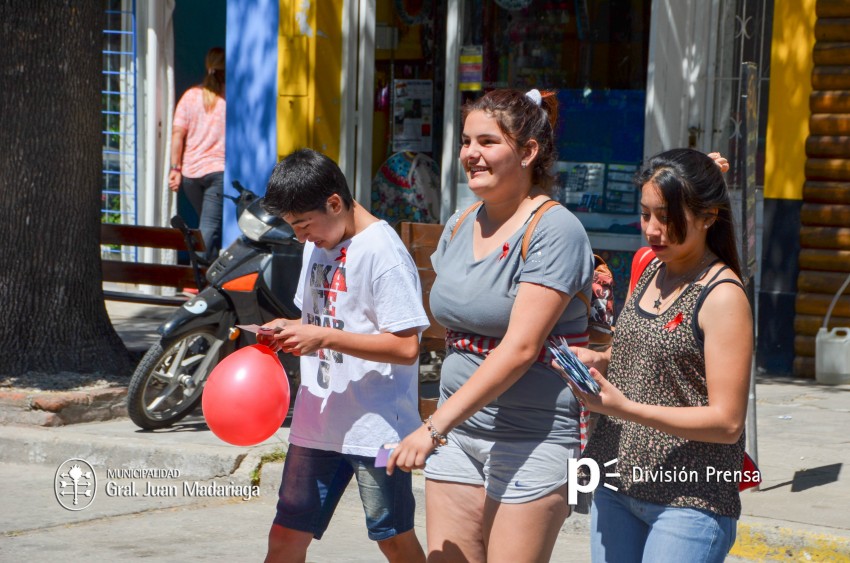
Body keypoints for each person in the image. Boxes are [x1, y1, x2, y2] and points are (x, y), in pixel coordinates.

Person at [388, 88, 596, 562]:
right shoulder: (460, 222)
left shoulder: (555, 230)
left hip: (532, 437)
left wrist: (432, 427)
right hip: (458, 434)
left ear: (528, 151)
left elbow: (521, 348)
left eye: (487, 142)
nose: (470, 154)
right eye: (466, 141)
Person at [567, 148, 753, 563]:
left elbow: (727, 422)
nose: (652, 229)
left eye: (666, 217)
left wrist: (626, 408)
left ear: (708, 217)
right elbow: (646, 353)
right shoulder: (652, 267)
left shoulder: (722, 296)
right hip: (616, 479)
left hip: (689, 497)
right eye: (645, 214)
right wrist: (600, 359)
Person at [257, 148, 428, 563]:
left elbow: (406, 346)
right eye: (293, 227)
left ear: (335, 203)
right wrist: (290, 329)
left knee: (393, 538)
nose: (301, 237)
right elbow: (322, 317)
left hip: (378, 430)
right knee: (284, 537)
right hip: (317, 422)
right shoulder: (318, 242)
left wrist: (323, 337)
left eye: (304, 225)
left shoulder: (383, 253)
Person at [168, 46, 226, 263]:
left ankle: (209, 271)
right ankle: (198, 273)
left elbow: (177, 134)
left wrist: (175, 169)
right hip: (217, 173)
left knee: (208, 224)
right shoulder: (228, 99)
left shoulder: (190, 96)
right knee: (210, 225)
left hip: (190, 175)